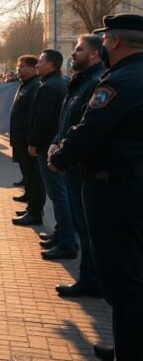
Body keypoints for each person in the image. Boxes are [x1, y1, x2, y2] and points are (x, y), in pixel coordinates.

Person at [48, 13, 143, 361]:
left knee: (124, 279)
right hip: (130, 185)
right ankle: (128, 344)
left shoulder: (118, 81)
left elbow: (90, 131)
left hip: (116, 190)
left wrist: (59, 155)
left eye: (104, 40)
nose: (101, 45)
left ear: (114, 41)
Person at [49, 34, 106, 298]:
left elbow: (87, 130)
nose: (73, 53)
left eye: (79, 49)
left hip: (82, 169)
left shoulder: (95, 82)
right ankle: (90, 278)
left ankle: (92, 281)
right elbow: (67, 121)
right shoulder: (81, 82)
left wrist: (60, 155)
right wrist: (55, 143)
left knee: (88, 229)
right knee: (84, 227)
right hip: (72, 165)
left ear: (94, 54)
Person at [30, 49, 75, 260]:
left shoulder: (49, 86)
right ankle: (61, 233)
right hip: (52, 144)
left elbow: (42, 119)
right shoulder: (56, 83)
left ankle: (66, 241)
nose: (37, 64)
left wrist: (33, 143)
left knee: (58, 195)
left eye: (40, 61)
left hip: (47, 146)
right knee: (59, 194)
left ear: (51, 65)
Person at [10, 55, 47, 226]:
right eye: (18, 66)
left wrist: (32, 140)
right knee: (28, 175)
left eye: (22, 66)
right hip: (20, 139)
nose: (18, 69)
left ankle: (35, 212)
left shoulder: (35, 86)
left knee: (34, 176)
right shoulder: (25, 85)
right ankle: (30, 202)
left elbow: (37, 116)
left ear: (33, 68)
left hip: (27, 140)